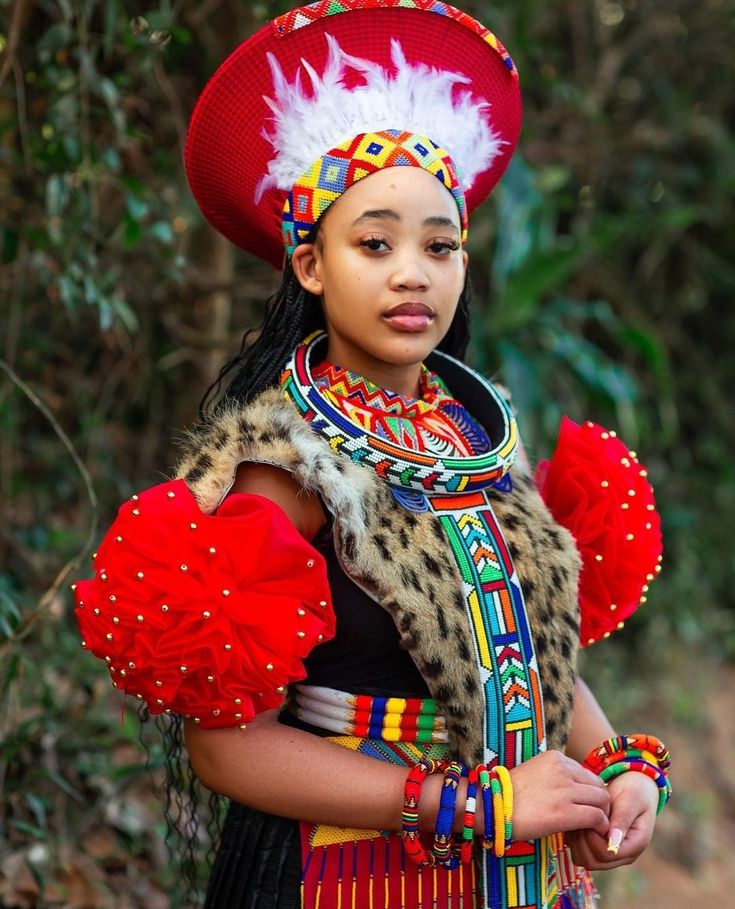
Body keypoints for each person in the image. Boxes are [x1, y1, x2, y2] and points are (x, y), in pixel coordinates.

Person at [74, 2, 669, 907]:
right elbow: (226, 745)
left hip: (527, 874)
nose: (411, 273)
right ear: (310, 265)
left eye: (440, 245)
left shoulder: (481, 437)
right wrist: (470, 803)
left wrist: (617, 770)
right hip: (353, 875)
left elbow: (523, 658)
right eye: (374, 242)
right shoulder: (281, 465)